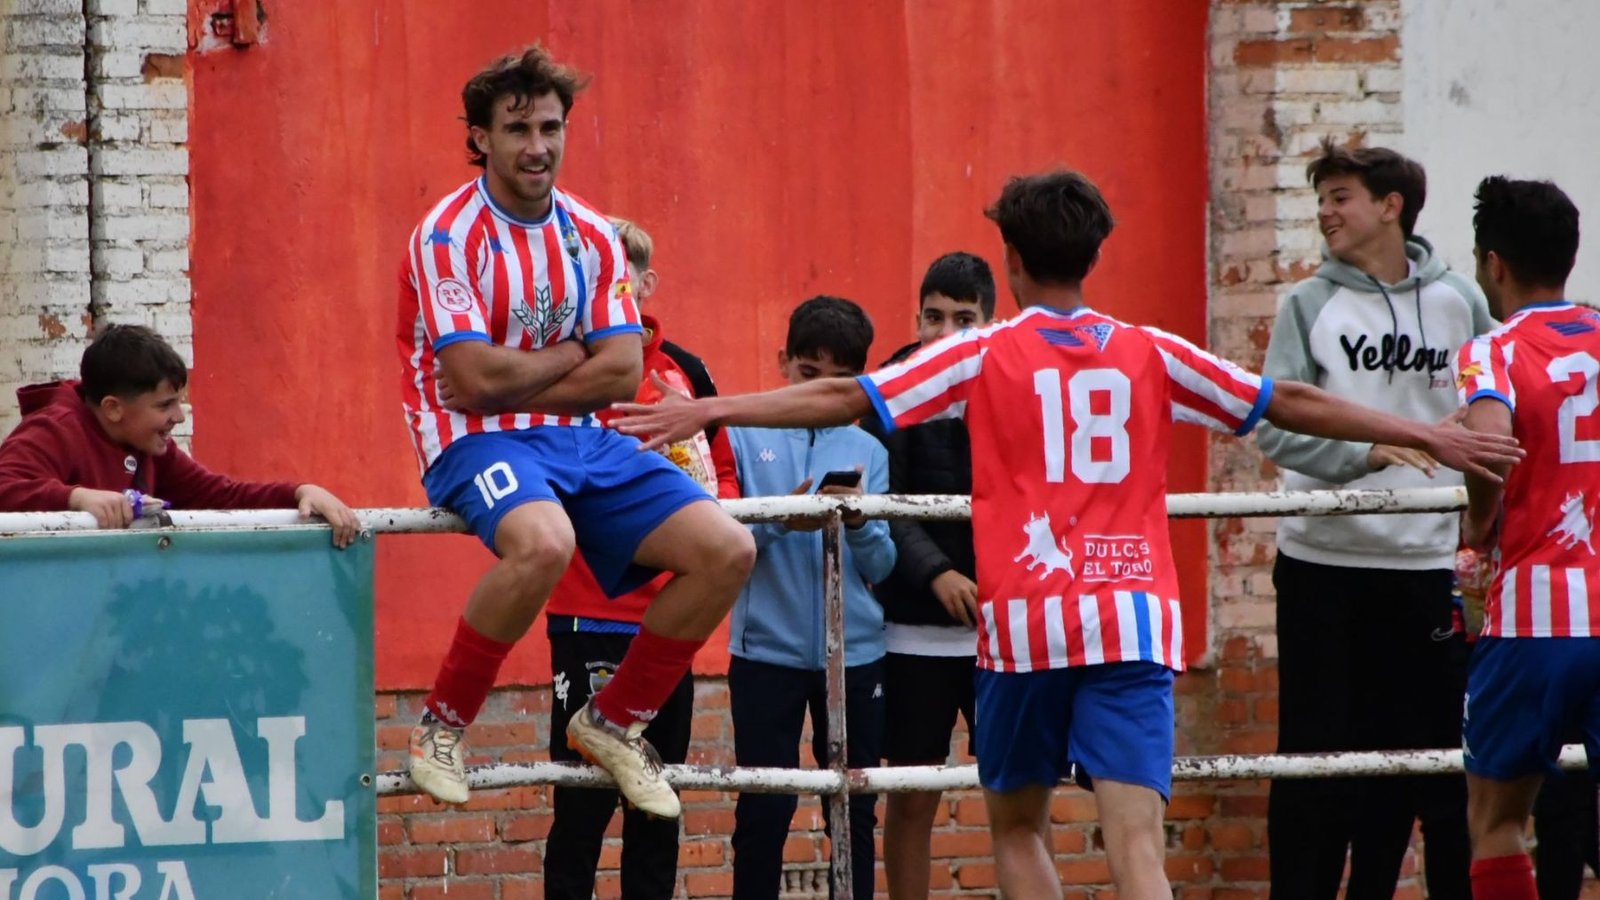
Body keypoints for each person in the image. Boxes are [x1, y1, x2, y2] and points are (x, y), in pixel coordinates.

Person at [611, 169, 1522, 899]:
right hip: (1133, 619)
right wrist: (1426, 432)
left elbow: (847, 396)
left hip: (1028, 625)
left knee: (1017, 829)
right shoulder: (1151, 350)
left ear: (1009, 260)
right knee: (1138, 849)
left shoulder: (981, 352)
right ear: (1093, 253)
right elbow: (1284, 400)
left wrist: (711, 408)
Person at [396, 45, 754, 814]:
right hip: (470, 439)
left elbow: (622, 373)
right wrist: (571, 352)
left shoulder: (591, 234)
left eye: (550, 128)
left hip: (581, 438)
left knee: (729, 549)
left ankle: (613, 721)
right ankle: (440, 726)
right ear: (481, 137)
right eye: (517, 129)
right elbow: (471, 384)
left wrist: (521, 369)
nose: (538, 147)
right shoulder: (446, 235)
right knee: (545, 542)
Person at [1254, 139, 1486, 900]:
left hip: (1423, 568)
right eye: (1321, 198)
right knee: (1314, 763)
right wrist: (1365, 451)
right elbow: (1273, 427)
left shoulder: (1460, 302)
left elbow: (1495, 411)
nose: (1325, 212)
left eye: (1340, 197)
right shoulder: (1307, 304)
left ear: (1391, 206)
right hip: (1321, 563)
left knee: (1416, 763)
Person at [541, 217, 739, 900]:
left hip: (671, 623)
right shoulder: (561, 371)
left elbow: (724, 476)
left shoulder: (687, 372)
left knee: (657, 806)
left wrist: (698, 511)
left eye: (620, 277)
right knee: (580, 807)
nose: (607, 290)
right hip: (587, 614)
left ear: (645, 284)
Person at [1455, 175, 1600, 900]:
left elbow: (1489, 443)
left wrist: (1478, 523)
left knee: (1497, 817)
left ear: (1494, 264)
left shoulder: (1494, 351)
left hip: (1533, 619)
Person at [723, 296, 894, 900]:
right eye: (807, 373)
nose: (821, 390)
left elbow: (883, 564)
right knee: (764, 809)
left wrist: (860, 524)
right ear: (782, 363)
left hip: (857, 655)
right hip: (765, 652)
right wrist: (780, 521)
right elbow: (723, 541)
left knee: (853, 808)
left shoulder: (871, 450)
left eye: (839, 379)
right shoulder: (742, 434)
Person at [862, 251, 996, 900]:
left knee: (1019, 792)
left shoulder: (1018, 386)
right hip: (912, 633)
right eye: (933, 317)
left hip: (1003, 634)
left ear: (990, 322)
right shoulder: (891, 389)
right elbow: (883, 499)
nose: (944, 332)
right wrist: (937, 572)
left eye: (963, 319)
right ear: (916, 318)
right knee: (912, 797)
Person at [0, 324, 358, 544]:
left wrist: (300, 492)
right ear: (113, 408)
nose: (178, 417)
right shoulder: (56, 429)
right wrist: (76, 498)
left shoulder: (148, 446)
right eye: (165, 405)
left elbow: (220, 497)